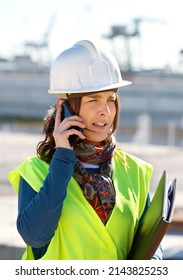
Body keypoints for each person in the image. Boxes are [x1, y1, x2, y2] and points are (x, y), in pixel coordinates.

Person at [8, 40, 162, 260]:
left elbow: (152, 242)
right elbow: (34, 236)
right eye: (93, 100)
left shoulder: (135, 170)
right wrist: (62, 159)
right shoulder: (36, 171)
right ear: (65, 108)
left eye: (111, 98)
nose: (105, 111)